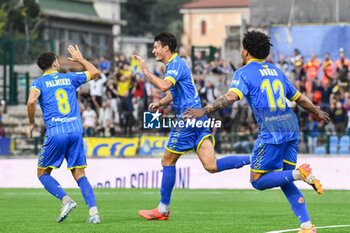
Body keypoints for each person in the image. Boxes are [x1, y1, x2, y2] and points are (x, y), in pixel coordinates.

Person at [185, 31, 330, 233]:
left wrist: (205, 110)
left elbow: (231, 97)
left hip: (271, 131)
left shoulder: (243, 72)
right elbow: (300, 98)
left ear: (245, 51)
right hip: (291, 127)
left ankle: (300, 173)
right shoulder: (276, 71)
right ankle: (306, 226)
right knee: (284, 177)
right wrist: (317, 112)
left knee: (258, 181)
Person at [134, 32, 251, 220]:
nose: (153, 50)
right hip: (199, 117)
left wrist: (145, 71)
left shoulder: (174, 64)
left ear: (166, 48)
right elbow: (173, 92)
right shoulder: (177, 65)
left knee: (167, 161)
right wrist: (161, 104)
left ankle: (163, 210)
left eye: (156, 46)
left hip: (187, 118)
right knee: (211, 165)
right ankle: (255, 159)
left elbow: (164, 86)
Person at [27, 45, 101, 223]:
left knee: (42, 173)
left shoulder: (38, 83)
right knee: (79, 174)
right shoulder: (69, 78)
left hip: (56, 132)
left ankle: (66, 200)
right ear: (54, 63)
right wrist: (81, 59)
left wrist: (31, 123)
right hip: (75, 130)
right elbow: (95, 72)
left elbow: (31, 101)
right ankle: (94, 214)